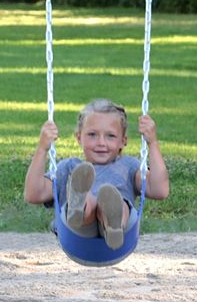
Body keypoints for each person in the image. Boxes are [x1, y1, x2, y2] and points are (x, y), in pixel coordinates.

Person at [24, 98, 169, 250]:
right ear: (79, 137)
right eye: (92, 135)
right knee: (90, 202)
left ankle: (112, 221)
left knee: (116, 202)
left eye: (110, 136)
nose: (101, 142)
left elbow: (159, 190)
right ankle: (80, 204)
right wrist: (42, 148)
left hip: (118, 232)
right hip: (78, 232)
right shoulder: (69, 167)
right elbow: (33, 194)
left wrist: (152, 142)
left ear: (123, 141)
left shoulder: (129, 166)